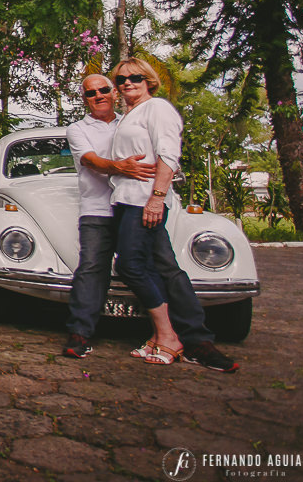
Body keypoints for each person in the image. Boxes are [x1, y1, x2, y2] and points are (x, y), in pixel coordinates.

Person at [61, 69, 239, 372]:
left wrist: (157, 194)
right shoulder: (79, 128)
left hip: (139, 205)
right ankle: (80, 334)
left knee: (166, 267)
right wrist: (119, 167)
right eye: (91, 93)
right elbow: (89, 160)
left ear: (114, 93)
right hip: (99, 207)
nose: (99, 96)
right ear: (85, 100)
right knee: (92, 267)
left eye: (104, 89)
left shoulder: (136, 117)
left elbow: (166, 153)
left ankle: (195, 339)